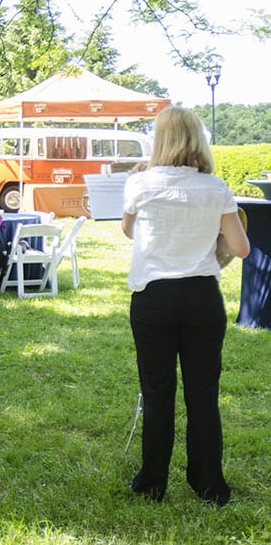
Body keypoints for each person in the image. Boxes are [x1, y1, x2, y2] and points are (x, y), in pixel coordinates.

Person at [121, 106, 249, 507]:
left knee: (157, 391)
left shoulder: (140, 183)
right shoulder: (216, 187)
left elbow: (128, 230)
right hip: (201, 298)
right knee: (203, 393)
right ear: (198, 139)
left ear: (159, 140)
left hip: (154, 297)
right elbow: (240, 248)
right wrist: (210, 239)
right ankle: (209, 484)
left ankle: (152, 481)